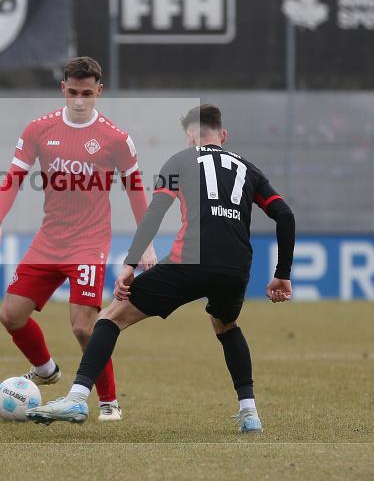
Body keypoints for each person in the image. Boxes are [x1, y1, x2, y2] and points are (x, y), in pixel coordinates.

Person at [26, 104, 295, 433]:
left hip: (190, 260)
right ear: (223, 135)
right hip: (236, 266)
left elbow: (155, 211)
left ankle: (78, 397)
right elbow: (285, 215)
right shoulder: (249, 170)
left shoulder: (181, 160)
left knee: (110, 317)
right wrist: (282, 273)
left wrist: (130, 263)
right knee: (226, 325)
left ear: (189, 136)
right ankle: (250, 413)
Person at [0, 56, 157, 422]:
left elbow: (136, 191)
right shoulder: (38, 129)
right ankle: (46, 371)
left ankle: (109, 402)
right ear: (62, 88)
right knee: (11, 316)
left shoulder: (115, 138)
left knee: (83, 326)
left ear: (99, 91)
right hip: (49, 240)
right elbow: (14, 176)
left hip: (89, 242)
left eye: (87, 93)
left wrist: (145, 244)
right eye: (73, 92)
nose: (79, 101)